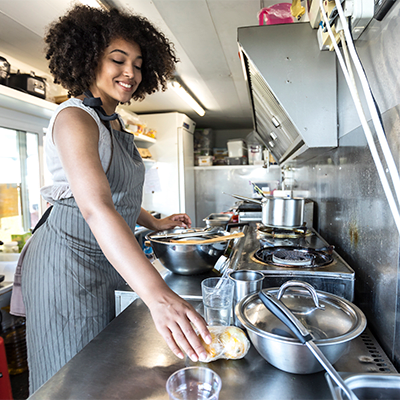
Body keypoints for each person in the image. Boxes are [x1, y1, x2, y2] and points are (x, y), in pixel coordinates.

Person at [14, 5, 211, 393]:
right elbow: (94, 205)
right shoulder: (75, 119)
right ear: (86, 60)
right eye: (118, 60)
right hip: (65, 265)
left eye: (138, 64)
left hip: (102, 261)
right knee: (73, 375)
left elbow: (113, 194)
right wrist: (158, 295)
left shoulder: (113, 121)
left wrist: (154, 222)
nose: (131, 73)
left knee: (105, 368)